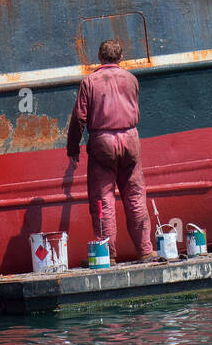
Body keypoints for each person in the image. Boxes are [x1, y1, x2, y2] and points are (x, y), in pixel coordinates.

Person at [66, 39, 155, 261]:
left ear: (99, 56)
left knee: (103, 200)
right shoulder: (132, 79)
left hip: (103, 143)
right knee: (135, 197)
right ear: (121, 58)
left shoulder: (90, 81)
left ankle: (108, 255)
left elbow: (79, 117)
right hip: (130, 140)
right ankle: (145, 250)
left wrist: (73, 148)